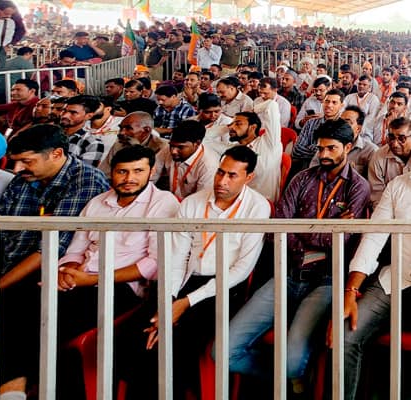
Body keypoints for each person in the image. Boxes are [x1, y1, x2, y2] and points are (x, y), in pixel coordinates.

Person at [227, 119, 370, 398]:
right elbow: (280, 229)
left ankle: (293, 374)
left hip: (327, 280)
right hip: (288, 273)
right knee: (224, 351)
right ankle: (287, 379)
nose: (324, 155)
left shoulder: (358, 187)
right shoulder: (302, 178)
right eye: (320, 148)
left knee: (292, 360)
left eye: (332, 148)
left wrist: (304, 230)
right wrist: (325, 229)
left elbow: (342, 241)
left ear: (348, 147)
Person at [120, 145, 270, 400]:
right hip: (185, 283)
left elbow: (241, 270)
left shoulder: (257, 208)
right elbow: (178, 258)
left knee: (177, 343)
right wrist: (169, 301)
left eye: (232, 175)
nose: (222, 181)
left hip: (224, 290)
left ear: (249, 177)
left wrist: (185, 304)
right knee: (136, 336)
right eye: (220, 173)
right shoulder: (193, 203)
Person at [0, 124, 109, 399]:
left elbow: (49, 251)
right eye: (16, 162)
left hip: (54, 274)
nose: (18, 169)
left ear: (57, 154)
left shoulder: (85, 181)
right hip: (9, 267)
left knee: (15, 307)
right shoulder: (20, 181)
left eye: (27, 161)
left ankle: (13, 389)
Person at [332, 168, 411, 400]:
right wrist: (351, 290)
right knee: (345, 335)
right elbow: (373, 238)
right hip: (396, 280)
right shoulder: (398, 186)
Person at [310, 106, 377, 178]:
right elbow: (312, 171)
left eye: (348, 122)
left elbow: (370, 182)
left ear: (358, 129)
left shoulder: (370, 151)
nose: (342, 125)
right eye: (340, 121)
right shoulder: (328, 143)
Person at [99, 111, 167, 181]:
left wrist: (137, 148)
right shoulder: (120, 143)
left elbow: (148, 178)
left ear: (146, 130)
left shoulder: (163, 147)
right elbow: (103, 173)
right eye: (120, 128)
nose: (121, 133)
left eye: (128, 128)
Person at [292, 89, 345, 171]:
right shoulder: (311, 123)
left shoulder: (343, 126)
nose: (329, 105)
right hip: (306, 168)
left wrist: (312, 147)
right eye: (327, 101)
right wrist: (322, 151)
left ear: (341, 106)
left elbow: (338, 155)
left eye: (334, 102)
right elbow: (297, 150)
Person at [166, 120, 220, 200]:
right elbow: (151, 176)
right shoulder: (169, 149)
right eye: (171, 146)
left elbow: (200, 200)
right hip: (170, 200)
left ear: (197, 144)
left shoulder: (209, 165)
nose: (173, 151)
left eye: (180, 147)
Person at [367, 117, 411, 208]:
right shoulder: (378, 157)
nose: (395, 144)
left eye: (401, 139)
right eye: (391, 138)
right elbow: (376, 196)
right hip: (387, 209)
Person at [60, 95, 106, 167]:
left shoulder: (92, 142)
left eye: (73, 113)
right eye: (64, 110)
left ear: (89, 116)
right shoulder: (48, 133)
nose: (65, 115)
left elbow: (82, 173)